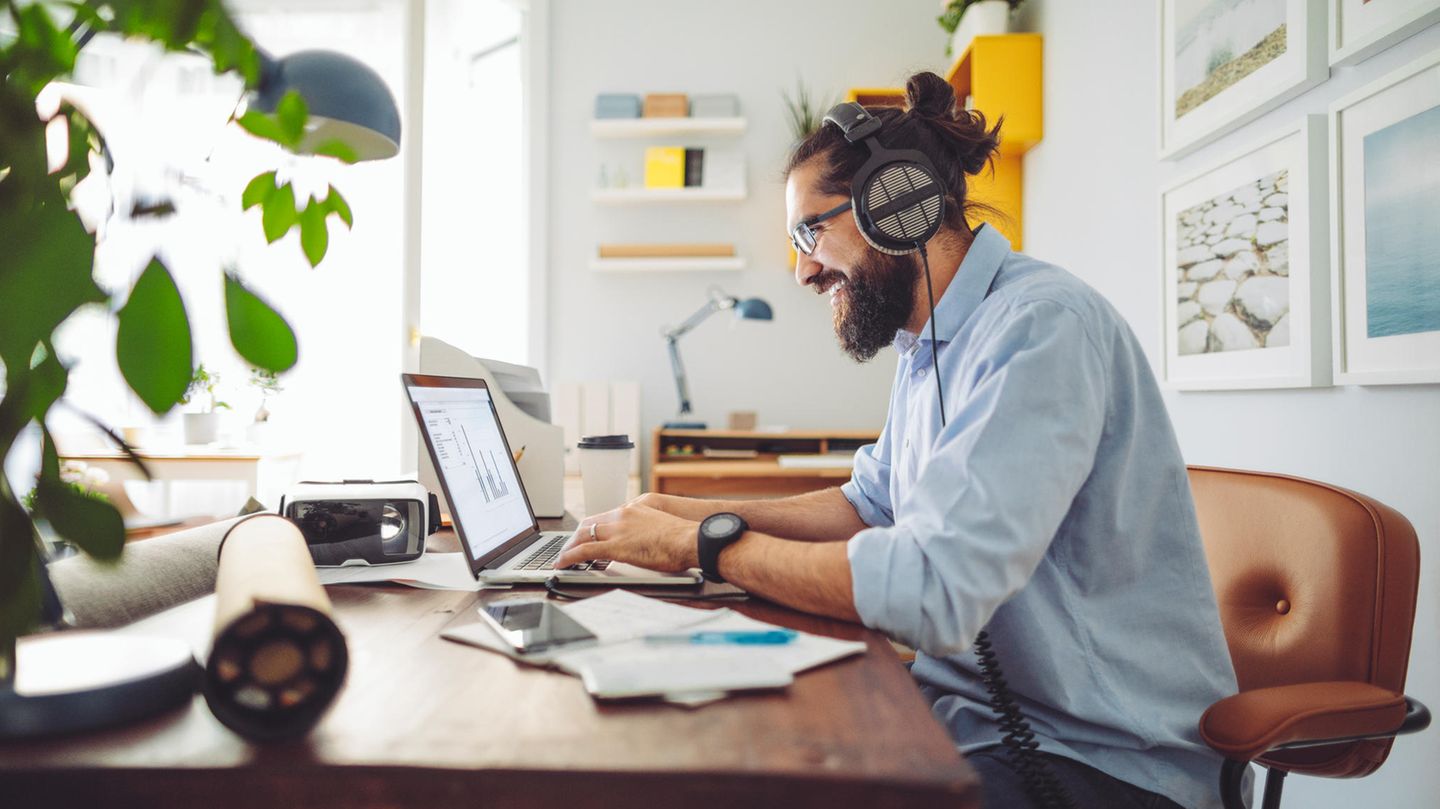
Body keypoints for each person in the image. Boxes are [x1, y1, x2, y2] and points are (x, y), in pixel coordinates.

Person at [556, 71, 1237, 809]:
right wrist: (677, 510)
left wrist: (703, 545)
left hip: (1099, 760)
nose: (802, 269)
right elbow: (869, 504)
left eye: (809, 231)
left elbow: (930, 590)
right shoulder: (927, 346)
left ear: (897, 203)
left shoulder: (1041, 328)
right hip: (968, 722)